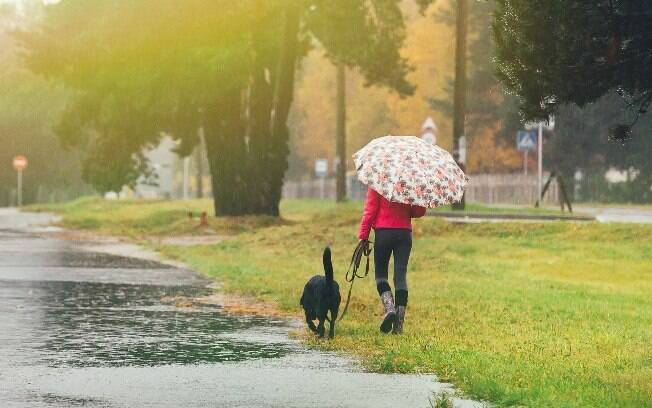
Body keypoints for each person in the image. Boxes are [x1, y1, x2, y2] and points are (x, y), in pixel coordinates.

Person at [358, 187, 426, 334]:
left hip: (384, 233)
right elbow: (418, 212)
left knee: (381, 276)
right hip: (404, 234)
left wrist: (363, 236)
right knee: (400, 277)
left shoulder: (377, 184)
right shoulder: (410, 183)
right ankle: (399, 326)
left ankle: (389, 309)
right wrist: (420, 196)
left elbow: (370, 211)